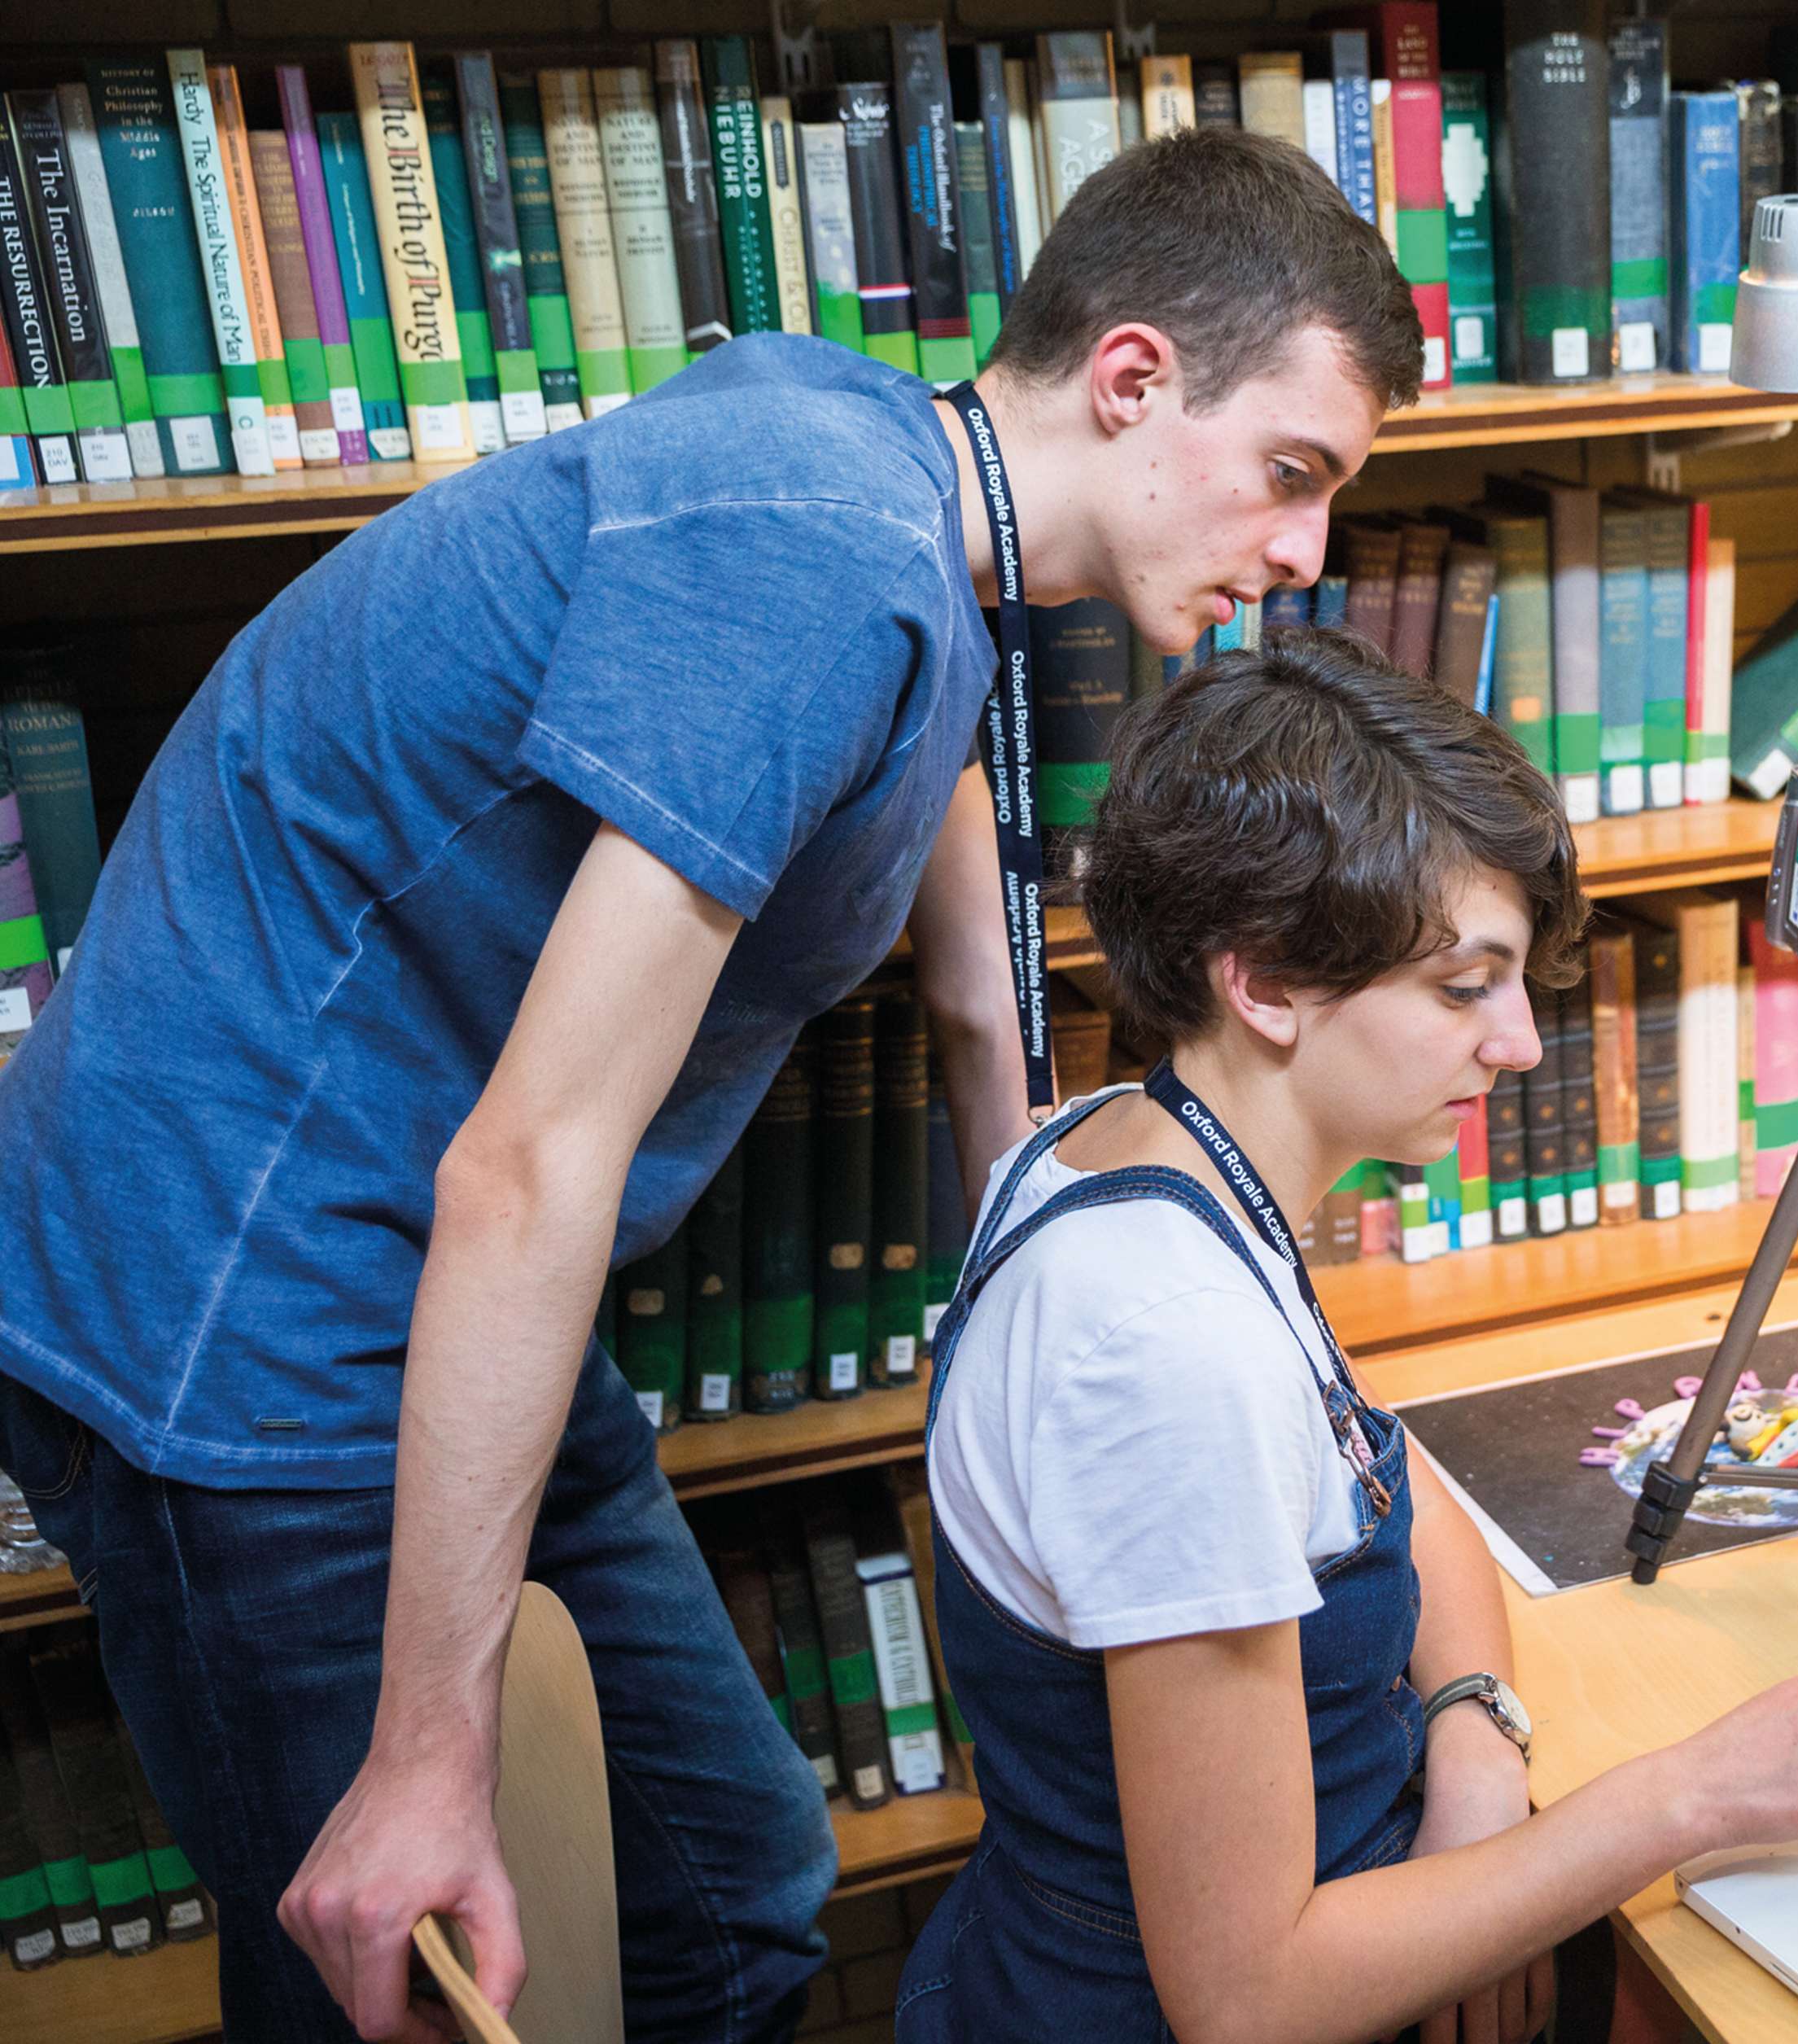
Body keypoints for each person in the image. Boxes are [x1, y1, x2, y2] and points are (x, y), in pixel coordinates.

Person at [0, 127, 1424, 2042]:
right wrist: (429, 1756)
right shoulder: (827, 557)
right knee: (387, 1979)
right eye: (1290, 474)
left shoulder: (906, 491)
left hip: (417, 1279)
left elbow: (947, 846)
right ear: (1132, 377)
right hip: (238, 1307)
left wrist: (1036, 1199)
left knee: (729, 1894)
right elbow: (528, 1160)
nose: (1300, 554)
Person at [904, 634, 1798, 2043]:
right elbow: (1247, 2001)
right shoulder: (1169, 1347)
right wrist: (1694, 1791)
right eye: (1461, 988)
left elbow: (1385, 1472)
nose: (1520, 1046)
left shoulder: (1133, 1148)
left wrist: (1476, 1737)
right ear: (1264, 984)